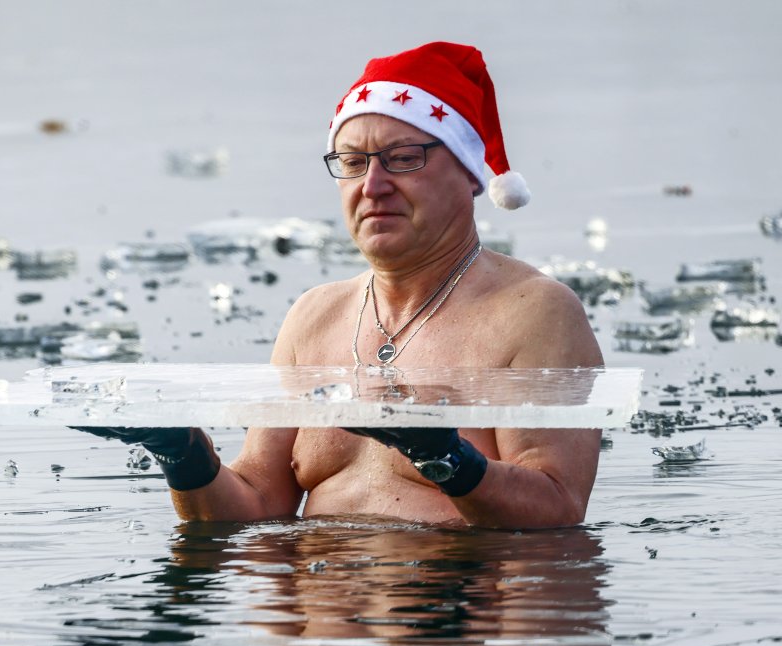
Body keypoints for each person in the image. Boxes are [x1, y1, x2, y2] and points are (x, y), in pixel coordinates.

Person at [78, 42, 603, 529]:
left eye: (403, 159)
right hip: (320, 589)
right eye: (352, 163)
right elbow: (255, 506)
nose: (372, 186)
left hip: (453, 590)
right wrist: (183, 452)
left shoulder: (533, 312)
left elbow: (558, 509)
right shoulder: (315, 316)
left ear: (470, 173)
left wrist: (448, 461)